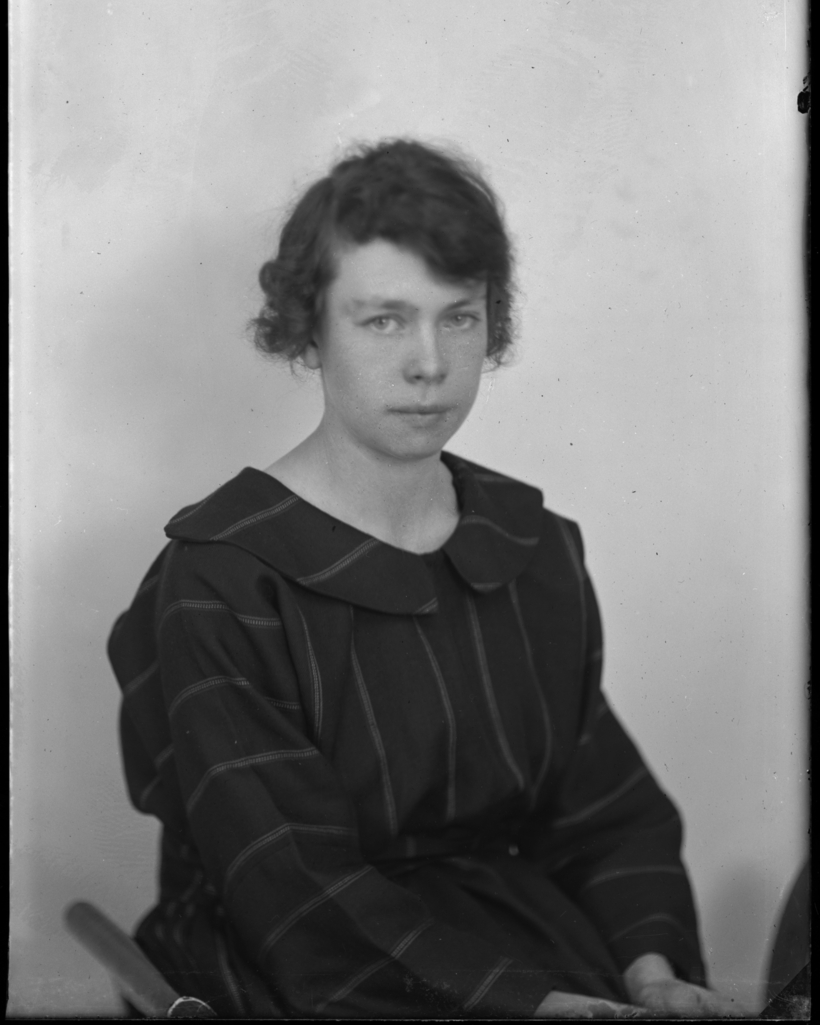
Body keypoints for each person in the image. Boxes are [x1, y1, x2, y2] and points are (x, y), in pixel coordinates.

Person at [108, 140, 742, 1018]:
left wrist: (651, 972)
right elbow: (292, 889)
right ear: (309, 326)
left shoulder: (529, 546)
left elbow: (605, 814)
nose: (430, 364)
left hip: (513, 942)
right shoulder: (225, 577)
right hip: (302, 967)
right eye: (384, 320)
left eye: (459, 317)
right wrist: (537, 1007)